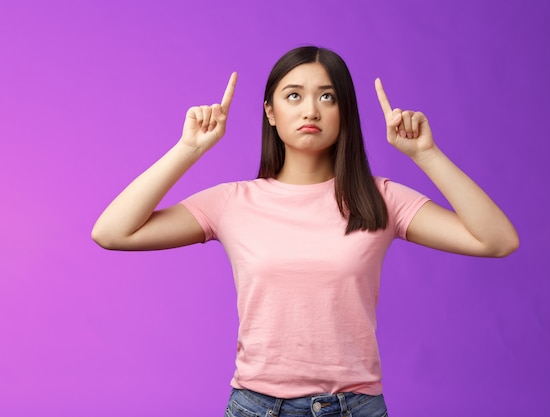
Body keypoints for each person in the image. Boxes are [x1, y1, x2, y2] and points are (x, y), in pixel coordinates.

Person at [92, 46, 519, 417]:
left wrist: (426, 155)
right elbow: (112, 232)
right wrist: (188, 149)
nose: (310, 110)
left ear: (343, 112)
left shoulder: (381, 199)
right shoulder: (231, 202)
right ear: (271, 113)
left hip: (356, 406)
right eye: (293, 96)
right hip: (256, 406)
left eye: (327, 97)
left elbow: (498, 240)